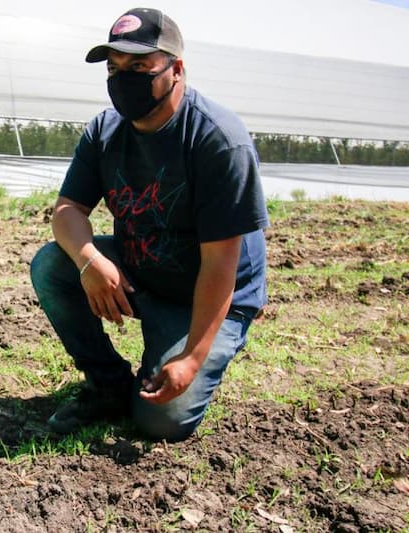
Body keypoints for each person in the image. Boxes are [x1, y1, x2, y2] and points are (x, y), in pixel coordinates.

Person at [30, 8, 269, 442]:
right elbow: (67, 211)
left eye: (138, 66)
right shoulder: (105, 130)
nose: (124, 78)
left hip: (209, 293)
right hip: (142, 271)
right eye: (114, 68)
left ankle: (202, 344)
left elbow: (220, 265)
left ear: (176, 69)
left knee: (162, 420)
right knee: (52, 265)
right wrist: (88, 262)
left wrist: (193, 358)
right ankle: (108, 385)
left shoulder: (217, 141)